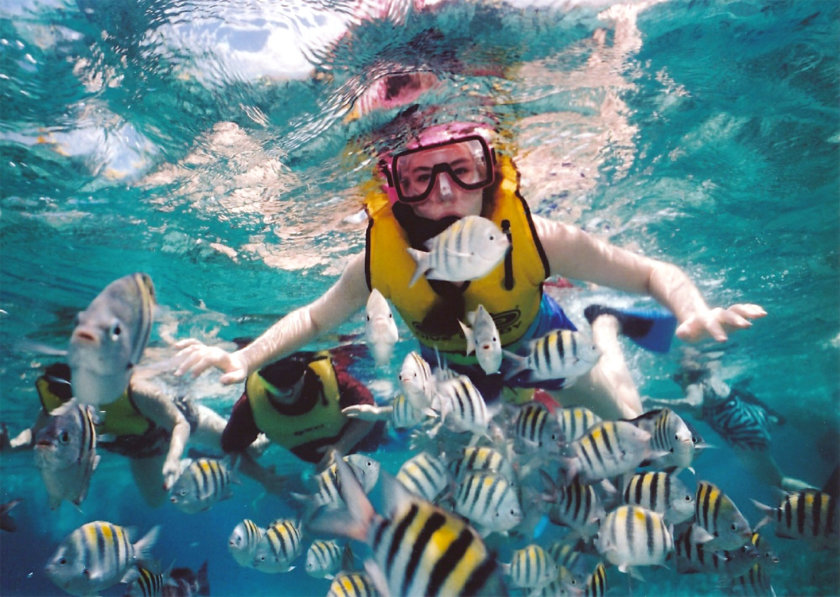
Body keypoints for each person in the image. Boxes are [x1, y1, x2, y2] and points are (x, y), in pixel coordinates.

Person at [173, 113, 766, 422]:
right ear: (394, 190)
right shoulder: (379, 261)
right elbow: (315, 316)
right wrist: (244, 357)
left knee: (630, 419)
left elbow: (648, 272)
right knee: (471, 458)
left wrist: (689, 308)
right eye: (419, 176)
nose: (444, 192)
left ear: (492, 172)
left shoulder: (540, 238)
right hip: (452, 371)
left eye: (462, 168)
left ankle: (604, 329)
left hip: (542, 342)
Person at [6, 362, 281, 508]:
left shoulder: (134, 389)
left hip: (183, 422)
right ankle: (263, 474)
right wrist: (8, 444)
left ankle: (272, 436)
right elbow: (35, 434)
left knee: (248, 448)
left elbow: (178, 424)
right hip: (140, 448)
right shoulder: (58, 399)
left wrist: (175, 457)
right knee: (154, 501)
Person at [650, 352, 814, 491]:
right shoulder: (711, 375)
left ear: (684, 375)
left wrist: (651, 400)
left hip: (744, 436)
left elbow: (693, 404)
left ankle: (825, 500)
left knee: (778, 482)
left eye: (678, 379)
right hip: (756, 417)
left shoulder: (694, 385)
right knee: (774, 480)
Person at [220, 345, 385, 467]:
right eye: (272, 374)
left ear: (305, 367)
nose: (285, 385)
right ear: (259, 373)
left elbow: (370, 410)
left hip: (364, 440)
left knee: (386, 435)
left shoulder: (334, 380)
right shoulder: (250, 406)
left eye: (293, 371)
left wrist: (341, 447)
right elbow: (231, 447)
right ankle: (268, 438)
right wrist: (264, 478)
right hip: (319, 459)